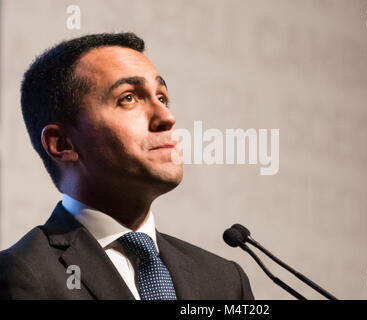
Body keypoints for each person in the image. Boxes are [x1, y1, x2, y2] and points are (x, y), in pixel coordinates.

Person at [0, 33, 254, 300]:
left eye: (162, 98)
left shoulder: (224, 280)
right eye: (129, 98)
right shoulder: (24, 274)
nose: (167, 117)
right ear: (63, 144)